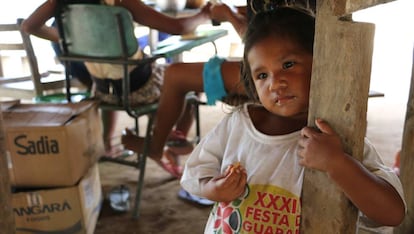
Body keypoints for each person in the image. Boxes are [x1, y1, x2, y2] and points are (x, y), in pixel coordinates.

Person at [180, 7, 406, 232]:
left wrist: (338, 163)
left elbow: (392, 213)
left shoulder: (336, 137)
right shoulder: (238, 124)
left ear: (321, 62)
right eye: (262, 75)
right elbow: (195, 174)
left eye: (288, 65)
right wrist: (214, 189)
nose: (275, 83)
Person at [121, 0, 315, 177]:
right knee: (182, 74)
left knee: (175, 75)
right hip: (267, 58)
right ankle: (176, 135)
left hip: (269, 56)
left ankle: (158, 144)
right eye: (262, 76)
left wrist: (229, 16)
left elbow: (265, 39)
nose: (274, 83)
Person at [21, 0, 212, 163]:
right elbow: (177, 27)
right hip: (141, 88)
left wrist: (70, 39)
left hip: (102, 92)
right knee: (188, 84)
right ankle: (165, 141)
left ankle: (132, 139)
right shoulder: (119, 1)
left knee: (126, 71)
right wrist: (204, 15)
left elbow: (28, 27)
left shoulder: (60, 2)